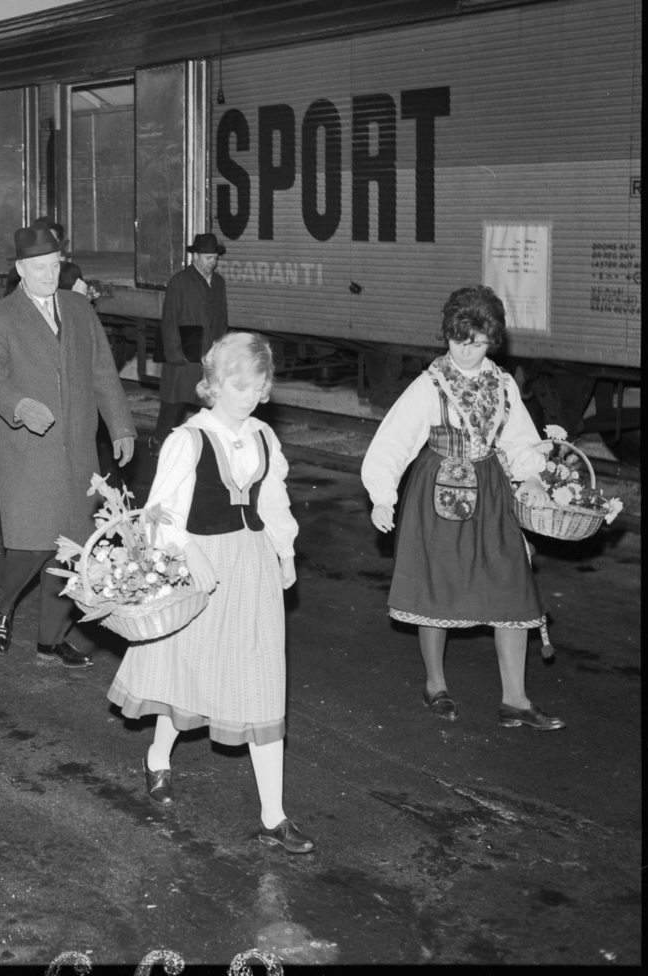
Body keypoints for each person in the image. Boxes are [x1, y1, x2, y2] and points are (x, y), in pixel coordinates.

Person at [107, 332, 313, 851]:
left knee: (262, 681)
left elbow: (274, 501)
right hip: (200, 572)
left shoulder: (264, 436)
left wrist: (286, 551)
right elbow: (158, 514)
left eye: (258, 387)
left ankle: (273, 817)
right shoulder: (189, 439)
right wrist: (186, 550)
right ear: (215, 384)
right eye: (239, 386)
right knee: (190, 673)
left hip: (254, 568)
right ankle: (158, 756)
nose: (250, 396)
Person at [361, 285, 563, 730]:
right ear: (447, 335)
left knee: (511, 583)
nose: (466, 351)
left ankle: (516, 699)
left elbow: (519, 440)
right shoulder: (430, 384)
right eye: (458, 340)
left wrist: (532, 475)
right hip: (439, 491)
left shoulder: (502, 384)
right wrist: (382, 495)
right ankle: (435, 685)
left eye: (476, 343)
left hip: (491, 491)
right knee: (437, 585)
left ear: (492, 341)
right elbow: (394, 441)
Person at [0, 223, 136, 668]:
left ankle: (51, 637)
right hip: (29, 448)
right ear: (20, 269)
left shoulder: (78, 308)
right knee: (32, 544)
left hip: (78, 446)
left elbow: (102, 371)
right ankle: (3, 603)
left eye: (55, 265)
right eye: (40, 267)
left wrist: (120, 425)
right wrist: (18, 405)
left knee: (75, 545)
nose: (49, 274)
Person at [151, 232, 229, 453]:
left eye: (215, 258)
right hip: (185, 356)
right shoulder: (179, 282)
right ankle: (158, 443)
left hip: (209, 355)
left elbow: (222, 319)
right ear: (195, 256)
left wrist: (222, 349)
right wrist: (175, 354)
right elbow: (169, 320)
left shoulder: (219, 283)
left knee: (211, 403)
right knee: (174, 405)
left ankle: (207, 449)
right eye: (208, 258)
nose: (212, 262)